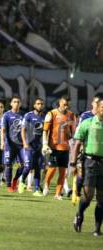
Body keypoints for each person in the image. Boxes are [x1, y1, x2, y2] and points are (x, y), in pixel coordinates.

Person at [71, 98, 103, 236]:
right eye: (102, 107)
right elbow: (77, 144)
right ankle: (79, 214)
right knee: (88, 195)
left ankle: (97, 229)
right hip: (90, 162)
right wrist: (73, 163)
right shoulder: (88, 123)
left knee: (102, 198)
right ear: (98, 107)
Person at [42, 95, 76, 200]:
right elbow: (45, 130)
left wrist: (73, 141)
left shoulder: (71, 115)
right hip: (53, 147)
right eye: (64, 104)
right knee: (52, 169)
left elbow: (73, 132)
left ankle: (57, 194)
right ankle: (46, 184)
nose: (66, 107)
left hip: (65, 148)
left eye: (68, 105)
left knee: (63, 172)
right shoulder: (51, 113)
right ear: (60, 103)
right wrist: (45, 143)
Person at [19, 98, 45, 196]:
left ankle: (36, 189)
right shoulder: (28, 115)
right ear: (34, 105)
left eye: (41, 104)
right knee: (28, 166)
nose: (40, 105)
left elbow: (46, 132)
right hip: (29, 145)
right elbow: (23, 130)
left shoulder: (45, 117)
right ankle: (22, 181)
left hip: (39, 146)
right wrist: (25, 143)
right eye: (38, 104)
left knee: (38, 168)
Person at [1, 96, 24, 192]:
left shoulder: (23, 116)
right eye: (14, 102)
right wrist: (2, 142)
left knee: (23, 165)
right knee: (8, 165)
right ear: (11, 103)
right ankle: (9, 186)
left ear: (20, 104)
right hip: (9, 144)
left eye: (18, 102)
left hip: (21, 145)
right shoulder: (6, 115)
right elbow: (3, 130)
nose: (16, 103)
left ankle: (15, 180)